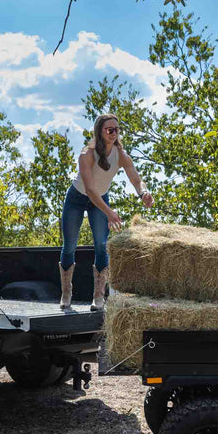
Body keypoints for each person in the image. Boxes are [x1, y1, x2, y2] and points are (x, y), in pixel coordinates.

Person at [59, 113, 153, 311]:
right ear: (99, 132)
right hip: (77, 198)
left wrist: (143, 192)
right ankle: (66, 292)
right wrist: (110, 212)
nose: (114, 133)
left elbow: (136, 179)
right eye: (110, 130)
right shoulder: (87, 154)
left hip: (100, 200)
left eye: (117, 130)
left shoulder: (120, 154)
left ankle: (98, 297)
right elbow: (90, 191)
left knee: (102, 245)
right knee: (70, 246)